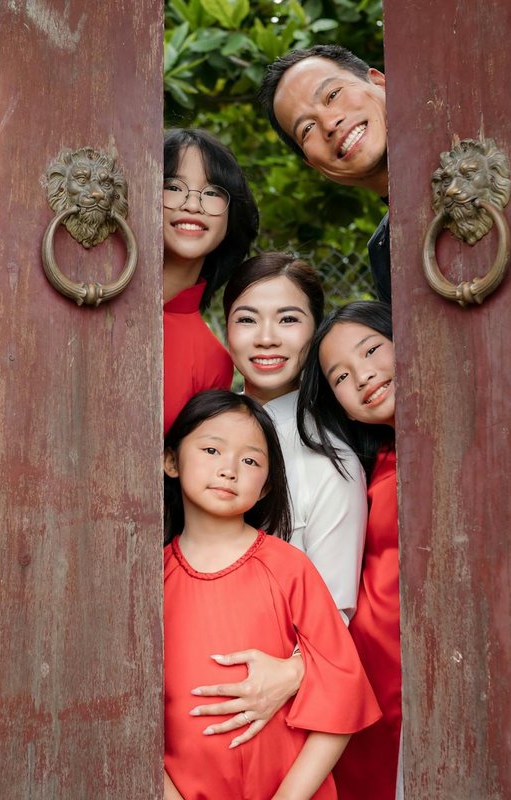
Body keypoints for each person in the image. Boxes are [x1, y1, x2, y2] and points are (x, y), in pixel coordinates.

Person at [162, 390, 381, 800]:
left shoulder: (289, 568)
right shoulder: (150, 581)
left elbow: (343, 695)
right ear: (171, 461)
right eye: (211, 450)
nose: (229, 469)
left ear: (266, 487)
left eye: (250, 461)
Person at [222, 252, 367, 621]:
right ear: (226, 330)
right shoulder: (201, 431)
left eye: (288, 319)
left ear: (316, 331)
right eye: (247, 319)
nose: (266, 338)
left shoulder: (333, 464)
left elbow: (331, 619)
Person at [298, 301, 400, 799]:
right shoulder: (366, 466)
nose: (363, 376)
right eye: (340, 376)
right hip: (368, 678)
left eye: (372, 349)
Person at [257, 46, 392, 305]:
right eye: (307, 128)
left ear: (379, 82)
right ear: (313, 165)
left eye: (332, 95)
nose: (329, 124)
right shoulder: (384, 253)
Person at [162, 129, 259, 433]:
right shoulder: (90, 296)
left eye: (213, 192)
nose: (193, 205)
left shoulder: (213, 361)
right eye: (173, 186)